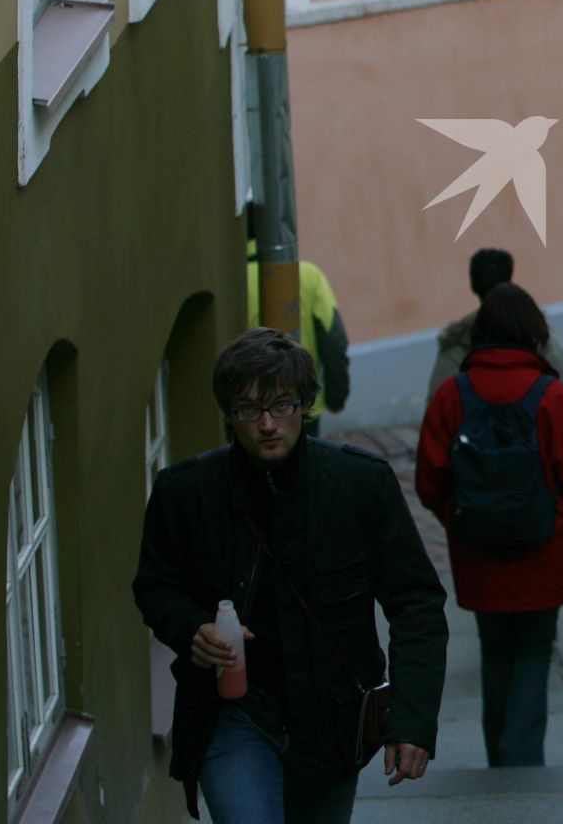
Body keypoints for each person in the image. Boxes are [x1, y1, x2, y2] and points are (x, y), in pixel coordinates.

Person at [135, 328, 448, 822]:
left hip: (330, 724)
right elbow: (154, 586)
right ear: (228, 413)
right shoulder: (185, 492)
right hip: (231, 714)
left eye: (281, 405)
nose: (266, 424)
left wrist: (411, 722)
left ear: (305, 406)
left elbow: (416, 603)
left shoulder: (360, 484)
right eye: (247, 409)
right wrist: (191, 628)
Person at [415, 284, 563, 767]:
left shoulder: (451, 396)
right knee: (533, 653)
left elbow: (428, 478)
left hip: (478, 551)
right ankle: (521, 762)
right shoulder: (553, 396)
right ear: (533, 333)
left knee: (494, 652)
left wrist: (458, 518)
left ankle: (501, 757)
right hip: (545, 550)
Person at [246, 205, 351, 436]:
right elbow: (334, 340)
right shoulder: (308, 275)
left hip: (251, 409)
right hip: (303, 402)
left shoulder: (236, 283)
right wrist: (336, 395)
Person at [427, 247, 563, 400]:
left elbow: (438, 402)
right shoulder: (534, 331)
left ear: (473, 286)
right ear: (509, 280)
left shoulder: (457, 341)